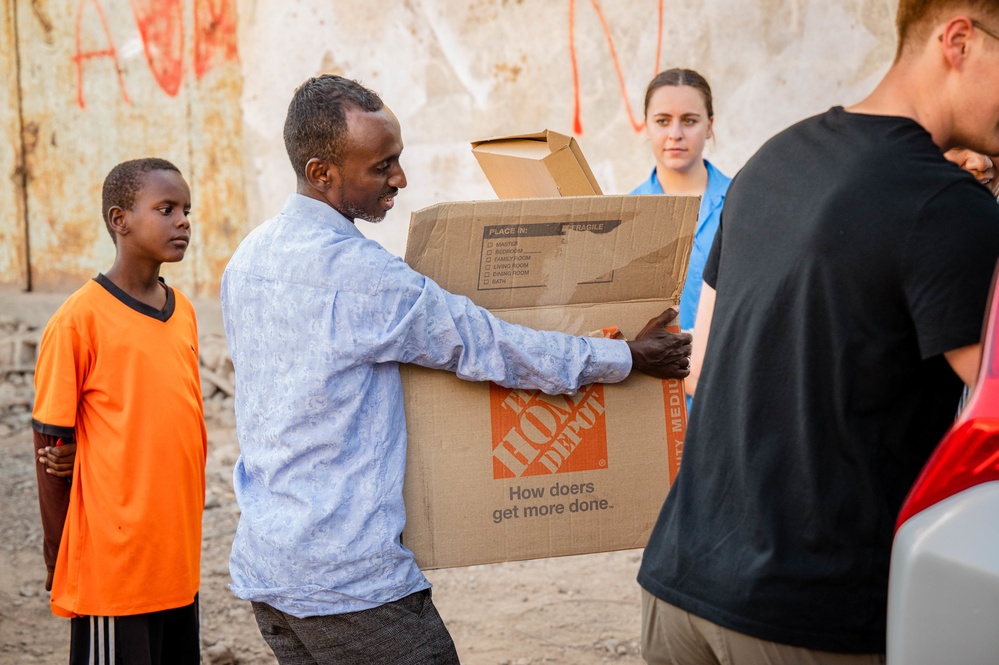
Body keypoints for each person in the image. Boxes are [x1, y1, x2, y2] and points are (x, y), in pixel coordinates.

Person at [220, 74, 692, 665]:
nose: (400, 178)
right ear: (322, 174)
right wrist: (625, 356)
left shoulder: (247, 259)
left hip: (270, 572)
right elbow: (490, 345)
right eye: (382, 166)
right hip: (350, 582)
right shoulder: (364, 277)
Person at [638, 2, 999, 664]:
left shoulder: (772, 157)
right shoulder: (947, 207)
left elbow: (702, 363)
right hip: (807, 616)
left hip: (678, 584)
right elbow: (994, 405)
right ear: (958, 41)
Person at [32, 158, 207, 664]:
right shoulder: (79, 320)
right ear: (119, 219)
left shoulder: (185, 312)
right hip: (115, 568)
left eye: (186, 210)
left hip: (175, 559)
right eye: (166, 209)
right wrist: (57, 557)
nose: (183, 221)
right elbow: (50, 448)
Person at [631, 68, 731, 382]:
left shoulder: (743, 203)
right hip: (653, 391)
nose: (675, 133)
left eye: (689, 120)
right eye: (662, 121)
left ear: (710, 126)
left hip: (726, 387)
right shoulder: (629, 215)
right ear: (646, 126)